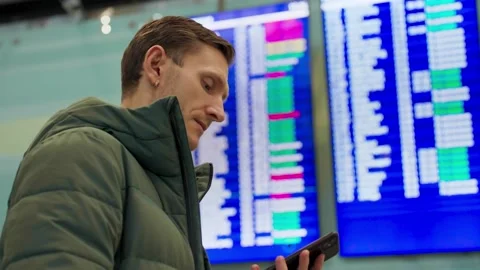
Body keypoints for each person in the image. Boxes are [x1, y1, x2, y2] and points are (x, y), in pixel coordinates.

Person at [0, 16, 324, 270]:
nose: (219, 113)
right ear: (156, 66)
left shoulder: (161, 196)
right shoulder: (80, 155)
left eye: (223, 98)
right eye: (208, 84)